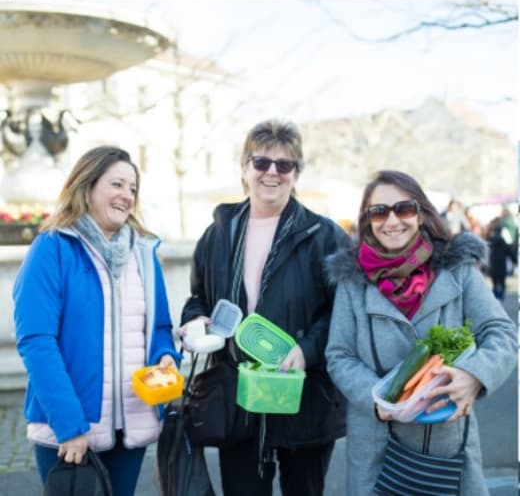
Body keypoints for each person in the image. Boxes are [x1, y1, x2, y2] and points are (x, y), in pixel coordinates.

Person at [180, 119, 349, 496]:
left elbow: (343, 312)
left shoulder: (324, 236)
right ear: (245, 169)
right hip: (238, 396)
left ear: (296, 174)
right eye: (261, 162)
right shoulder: (219, 233)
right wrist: (194, 323)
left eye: (284, 165)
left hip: (303, 398)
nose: (271, 172)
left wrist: (307, 350)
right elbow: (198, 298)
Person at [325, 170, 517, 495]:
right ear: (367, 220)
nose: (392, 220)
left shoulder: (457, 270)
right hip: (377, 448)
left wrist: (474, 376)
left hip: (446, 446)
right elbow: (339, 355)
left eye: (403, 208)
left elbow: (502, 333)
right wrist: (377, 397)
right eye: (379, 211)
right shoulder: (352, 282)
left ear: (421, 213)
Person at [13, 146, 181, 495]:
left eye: (133, 188)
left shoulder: (144, 255)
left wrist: (166, 356)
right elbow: (36, 341)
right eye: (116, 184)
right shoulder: (52, 248)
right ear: (87, 187)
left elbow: (160, 328)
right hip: (71, 429)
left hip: (131, 424)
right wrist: (70, 426)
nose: (127, 196)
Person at [486, 216, 516, 300]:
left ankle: (495, 295)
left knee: (495, 281)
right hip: (502, 265)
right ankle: (501, 295)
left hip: (493, 264)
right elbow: (509, 252)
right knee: (502, 281)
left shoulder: (490, 241)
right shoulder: (503, 242)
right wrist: (515, 261)